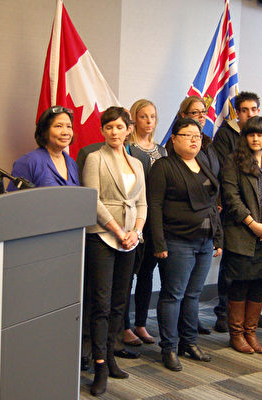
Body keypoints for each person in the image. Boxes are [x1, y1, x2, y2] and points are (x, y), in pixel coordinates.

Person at [82, 106, 146, 396]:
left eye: (119, 127)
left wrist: (136, 233)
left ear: (128, 129)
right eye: (108, 127)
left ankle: (110, 356)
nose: (114, 132)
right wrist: (119, 232)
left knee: (120, 303)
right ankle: (99, 366)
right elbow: (93, 201)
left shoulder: (137, 163)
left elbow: (142, 203)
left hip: (130, 240)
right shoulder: (95, 158)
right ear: (102, 131)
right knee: (101, 304)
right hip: (103, 237)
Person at [149, 117, 222, 371]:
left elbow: (212, 204)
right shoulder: (164, 166)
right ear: (174, 138)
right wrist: (159, 242)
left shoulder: (203, 162)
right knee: (173, 295)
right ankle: (169, 347)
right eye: (188, 135)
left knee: (193, 295)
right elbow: (155, 206)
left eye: (197, 136)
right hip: (177, 240)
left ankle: (189, 342)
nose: (194, 140)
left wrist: (217, 237)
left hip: (205, 240)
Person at [221, 116, 262, 354]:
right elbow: (231, 198)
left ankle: (251, 332)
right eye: (251, 134)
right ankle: (236, 334)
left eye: (260, 134)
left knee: (259, 283)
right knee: (241, 283)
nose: (256, 139)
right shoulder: (233, 160)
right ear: (245, 137)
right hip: (243, 231)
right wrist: (253, 225)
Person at [212, 91, 262, 332]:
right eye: (245, 110)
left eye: (254, 109)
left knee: (258, 276)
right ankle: (224, 314)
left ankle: (251, 322)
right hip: (238, 217)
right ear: (237, 113)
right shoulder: (225, 136)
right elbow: (227, 182)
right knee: (234, 272)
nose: (250, 114)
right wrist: (251, 221)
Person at [122, 99, 167, 346]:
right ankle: (124, 326)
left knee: (147, 273)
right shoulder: (128, 148)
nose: (149, 121)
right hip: (133, 219)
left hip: (154, 220)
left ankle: (140, 323)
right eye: (143, 116)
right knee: (127, 274)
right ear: (134, 119)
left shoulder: (163, 150)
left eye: (153, 116)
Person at [8, 106, 78, 189]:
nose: (65, 132)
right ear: (45, 130)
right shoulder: (28, 162)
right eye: (59, 126)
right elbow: (15, 196)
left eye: (69, 127)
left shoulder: (72, 163)